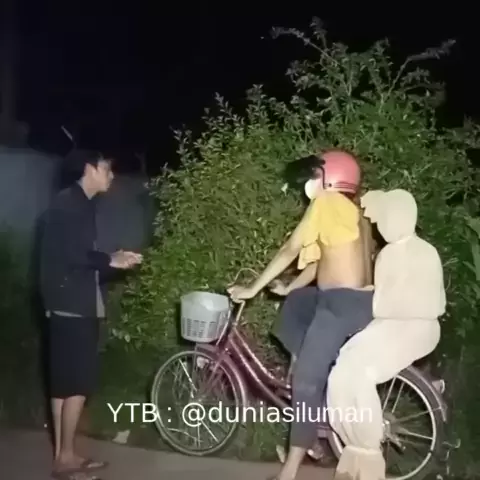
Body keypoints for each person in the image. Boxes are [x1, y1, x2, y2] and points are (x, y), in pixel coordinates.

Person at [228, 149, 375, 480]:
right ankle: (306, 373)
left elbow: (290, 249)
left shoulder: (327, 203)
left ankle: (289, 472)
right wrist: (289, 287)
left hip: (340, 305)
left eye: (314, 175)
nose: (309, 182)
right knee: (296, 303)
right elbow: (319, 262)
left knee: (305, 383)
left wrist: (252, 289)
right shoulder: (349, 211)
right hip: (346, 300)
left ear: (331, 179)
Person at [326, 189, 446, 480]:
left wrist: (388, 304)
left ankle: (369, 451)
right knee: (342, 368)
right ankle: (353, 445)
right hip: (387, 325)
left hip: (417, 327)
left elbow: (432, 303)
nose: (382, 228)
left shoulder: (425, 252)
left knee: (363, 372)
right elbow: (382, 299)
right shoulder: (386, 256)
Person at [39, 150, 143, 480]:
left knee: (64, 384)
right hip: (74, 303)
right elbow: (73, 255)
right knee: (77, 383)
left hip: (68, 301)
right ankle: (65, 460)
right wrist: (110, 259)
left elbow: (75, 256)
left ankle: (65, 454)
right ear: (90, 169)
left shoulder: (72, 202)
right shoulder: (72, 204)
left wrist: (114, 259)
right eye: (106, 169)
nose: (111, 175)